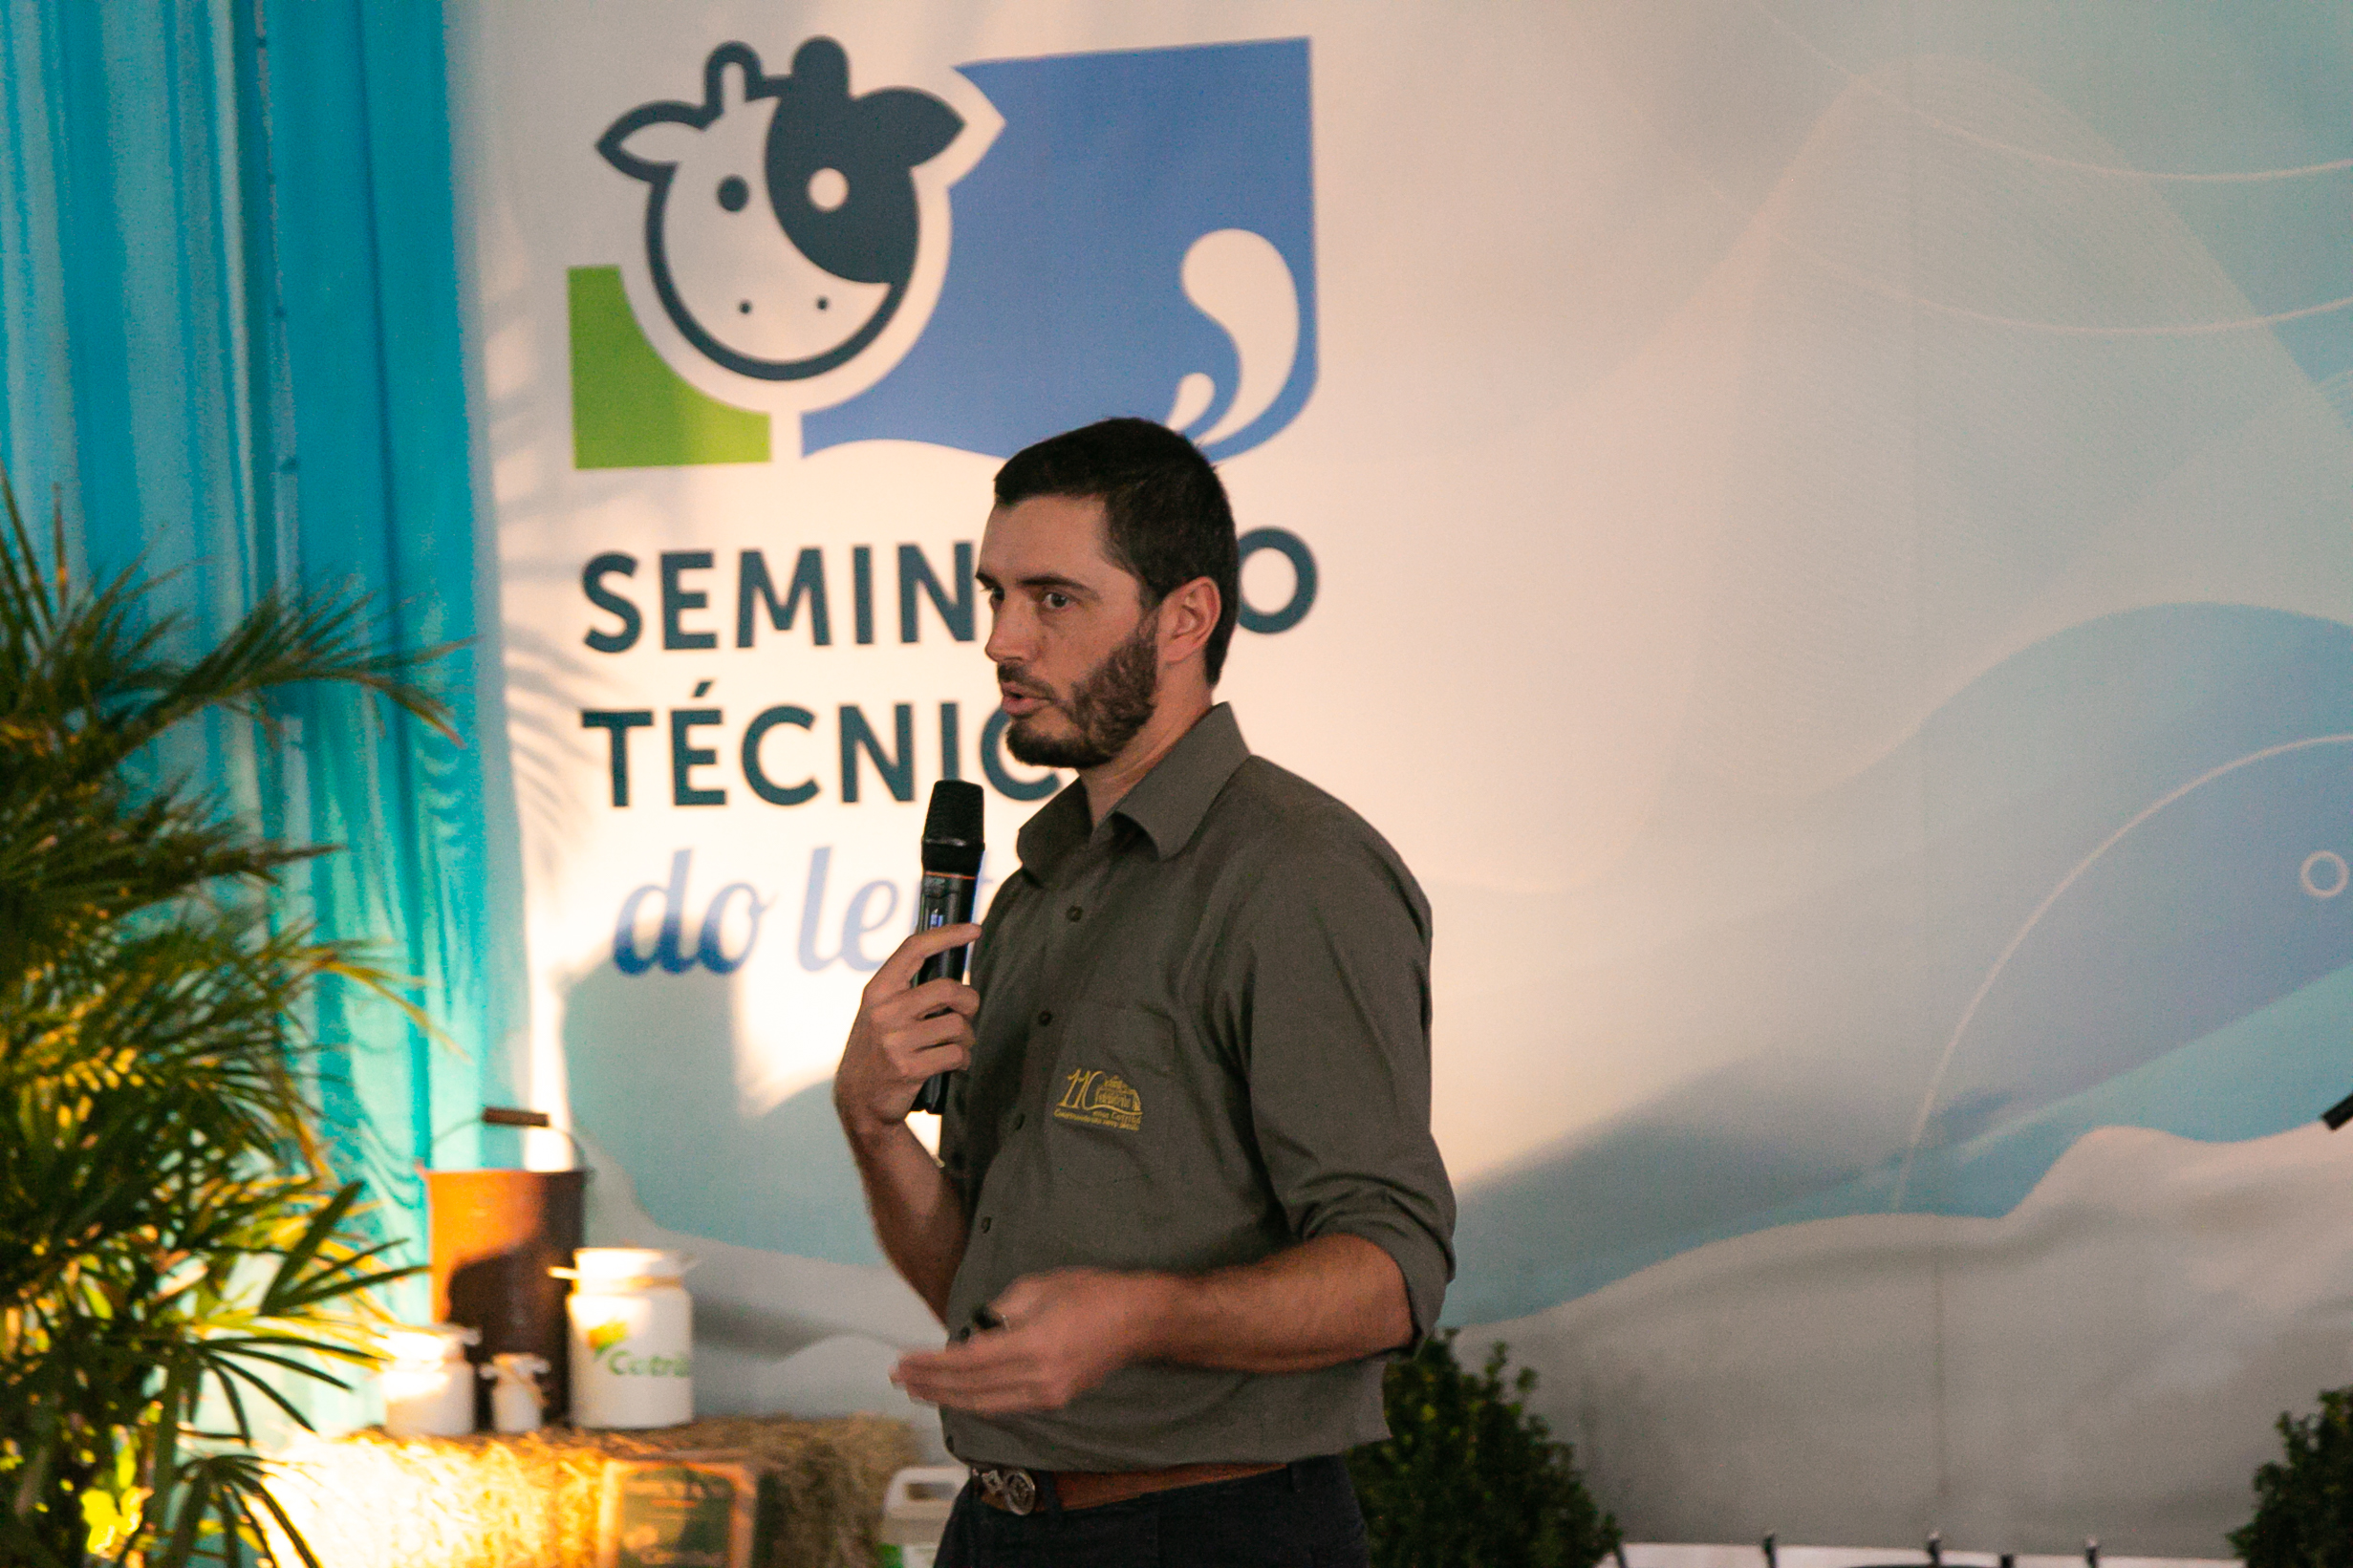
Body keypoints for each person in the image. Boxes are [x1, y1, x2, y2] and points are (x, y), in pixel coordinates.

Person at [832, 418, 1455, 1566]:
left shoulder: (1296, 873)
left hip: (1209, 1532)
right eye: (994, 595)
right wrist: (870, 1127)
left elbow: (1389, 1274)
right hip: (1000, 1525)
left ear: (1184, 618)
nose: (1002, 640)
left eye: (1053, 599)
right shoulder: (1031, 894)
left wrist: (1143, 1316)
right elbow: (984, 1302)